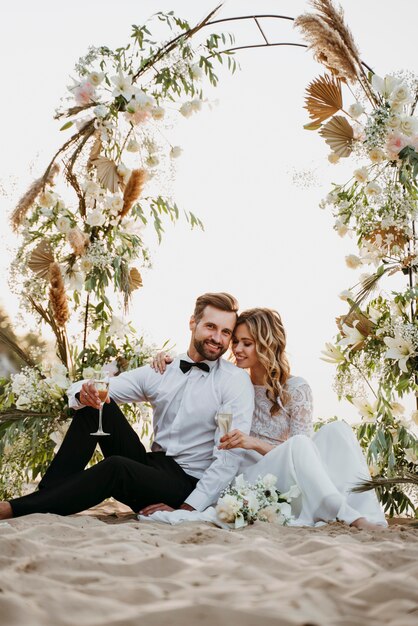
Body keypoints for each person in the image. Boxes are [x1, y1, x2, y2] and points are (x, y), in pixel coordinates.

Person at [0, 292, 254, 520]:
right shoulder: (161, 369)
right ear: (192, 323)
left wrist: (188, 508)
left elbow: (228, 456)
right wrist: (84, 393)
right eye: (211, 327)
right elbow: (90, 388)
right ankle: (46, 497)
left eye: (226, 332)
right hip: (151, 466)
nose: (217, 338)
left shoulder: (234, 381)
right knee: (97, 403)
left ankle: (15, 509)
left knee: (117, 467)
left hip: (187, 483)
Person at [152, 308, 387, 529]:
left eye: (247, 343)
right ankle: (349, 516)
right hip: (248, 474)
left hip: (288, 469)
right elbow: (195, 370)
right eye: (235, 342)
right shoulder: (231, 383)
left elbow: (302, 451)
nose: (237, 349)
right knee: (301, 444)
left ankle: (365, 512)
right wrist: (167, 360)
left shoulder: (297, 388)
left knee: (337, 430)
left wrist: (253, 442)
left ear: (266, 345)